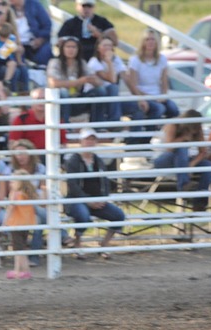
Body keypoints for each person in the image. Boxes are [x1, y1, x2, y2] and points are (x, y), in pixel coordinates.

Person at [63, 127, 124, 258]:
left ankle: (104, 244)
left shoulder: (98, 160)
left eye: (92, 140)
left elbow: (105, 181)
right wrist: (87, 200)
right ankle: (78, 244)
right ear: (81, 142)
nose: (90, 142)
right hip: (76, 200)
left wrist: (103, 198)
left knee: (119, 215)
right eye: (87, 140)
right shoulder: (74, 160)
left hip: (96, 200)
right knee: (83, 216)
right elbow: (72, 185)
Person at [153, 109, 211, 207]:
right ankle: (184, 185)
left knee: (208, 165)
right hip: (164, 159)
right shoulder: (173, 125)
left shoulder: (198, 129)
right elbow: (169, 148)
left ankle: (200, 201)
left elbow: (203, 152)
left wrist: (191, 164)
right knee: (182, 148)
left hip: (182, 161)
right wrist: (182, 138)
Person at [125, 28, 179, 135]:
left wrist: (163, 95)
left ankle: (168, 135)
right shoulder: (135, 60)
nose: (150, 42)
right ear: (143, 42)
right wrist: (148, 97)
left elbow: (164, 81)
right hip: (142, 95)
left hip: (158, 95)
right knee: (158, 109)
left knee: (174, 109)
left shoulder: (162, 59)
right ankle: (148, 137)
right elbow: (133, 85)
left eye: (153, 39)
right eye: (147, 39)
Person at [46, 35, 98, 124]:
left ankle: (98, 125)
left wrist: (93, 80)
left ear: (78, 49)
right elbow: (54, 83)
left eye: (74, 47)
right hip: (60, 99)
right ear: (62, 49)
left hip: (77, 98)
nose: (71, 50)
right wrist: (79, 81)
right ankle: (65, 126)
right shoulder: (54, 62)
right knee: (63, 92)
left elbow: (97, 81)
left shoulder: (82, 63)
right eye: (68, 47)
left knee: (100, 91)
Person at [7, 87, 66, 154]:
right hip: (28, 157)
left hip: (50, 155)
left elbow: (63, 143)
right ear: (32, 101)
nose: (41, 102)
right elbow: (13, 143)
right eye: (38, 99)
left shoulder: (56, 119)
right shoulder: (21, 119)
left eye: (44, 98)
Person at [4, 170, 36, 279]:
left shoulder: (15, 194)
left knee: (18, 249)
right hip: (26, 223)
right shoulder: (28, 194)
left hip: (16, 223)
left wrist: (5, 221)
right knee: (21, 247)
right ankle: (25, 270)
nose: (11, 183)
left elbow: (11, 207)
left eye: (13, 181)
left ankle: (18, 270)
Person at [85, 36, 123, 124]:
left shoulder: (116, 59)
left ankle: (115, 122)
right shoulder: (94, 62)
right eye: (105, 45)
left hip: (109, 95)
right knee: (109, 88)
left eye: (110, 45)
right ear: (98, 48)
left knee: (134, 106)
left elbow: (125, 75)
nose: (108, 48)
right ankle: (112, 122)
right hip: (93, 93)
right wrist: (109, 62)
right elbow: (112, 80)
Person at [7, 0, 51, 67]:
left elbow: (47, 24)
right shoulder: (8, 8)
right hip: (16, 43)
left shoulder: (34, 5)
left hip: (34, 42)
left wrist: (40, 39)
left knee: (45, 52)